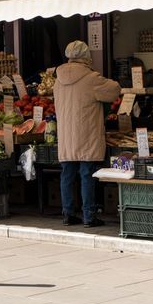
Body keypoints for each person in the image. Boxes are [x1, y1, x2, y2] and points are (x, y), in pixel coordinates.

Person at [54, 40, 121, 227]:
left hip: (66, 134)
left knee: (67, 174)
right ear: (86, 56)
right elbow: (114, 89)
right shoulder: (91, 78)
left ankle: (68, 213)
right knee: (86, 173)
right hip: (86, 133)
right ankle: (89, 216)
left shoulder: (58, 80)